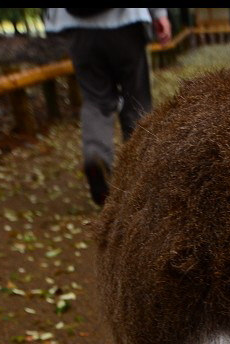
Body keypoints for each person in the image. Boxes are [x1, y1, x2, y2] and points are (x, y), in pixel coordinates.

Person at [44, 8, 172, 205]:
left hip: (78, 28)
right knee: (136, 99)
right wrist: (160, 15)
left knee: (96, 101)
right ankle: (139, 175)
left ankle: (96, 153)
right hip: (127, 23)